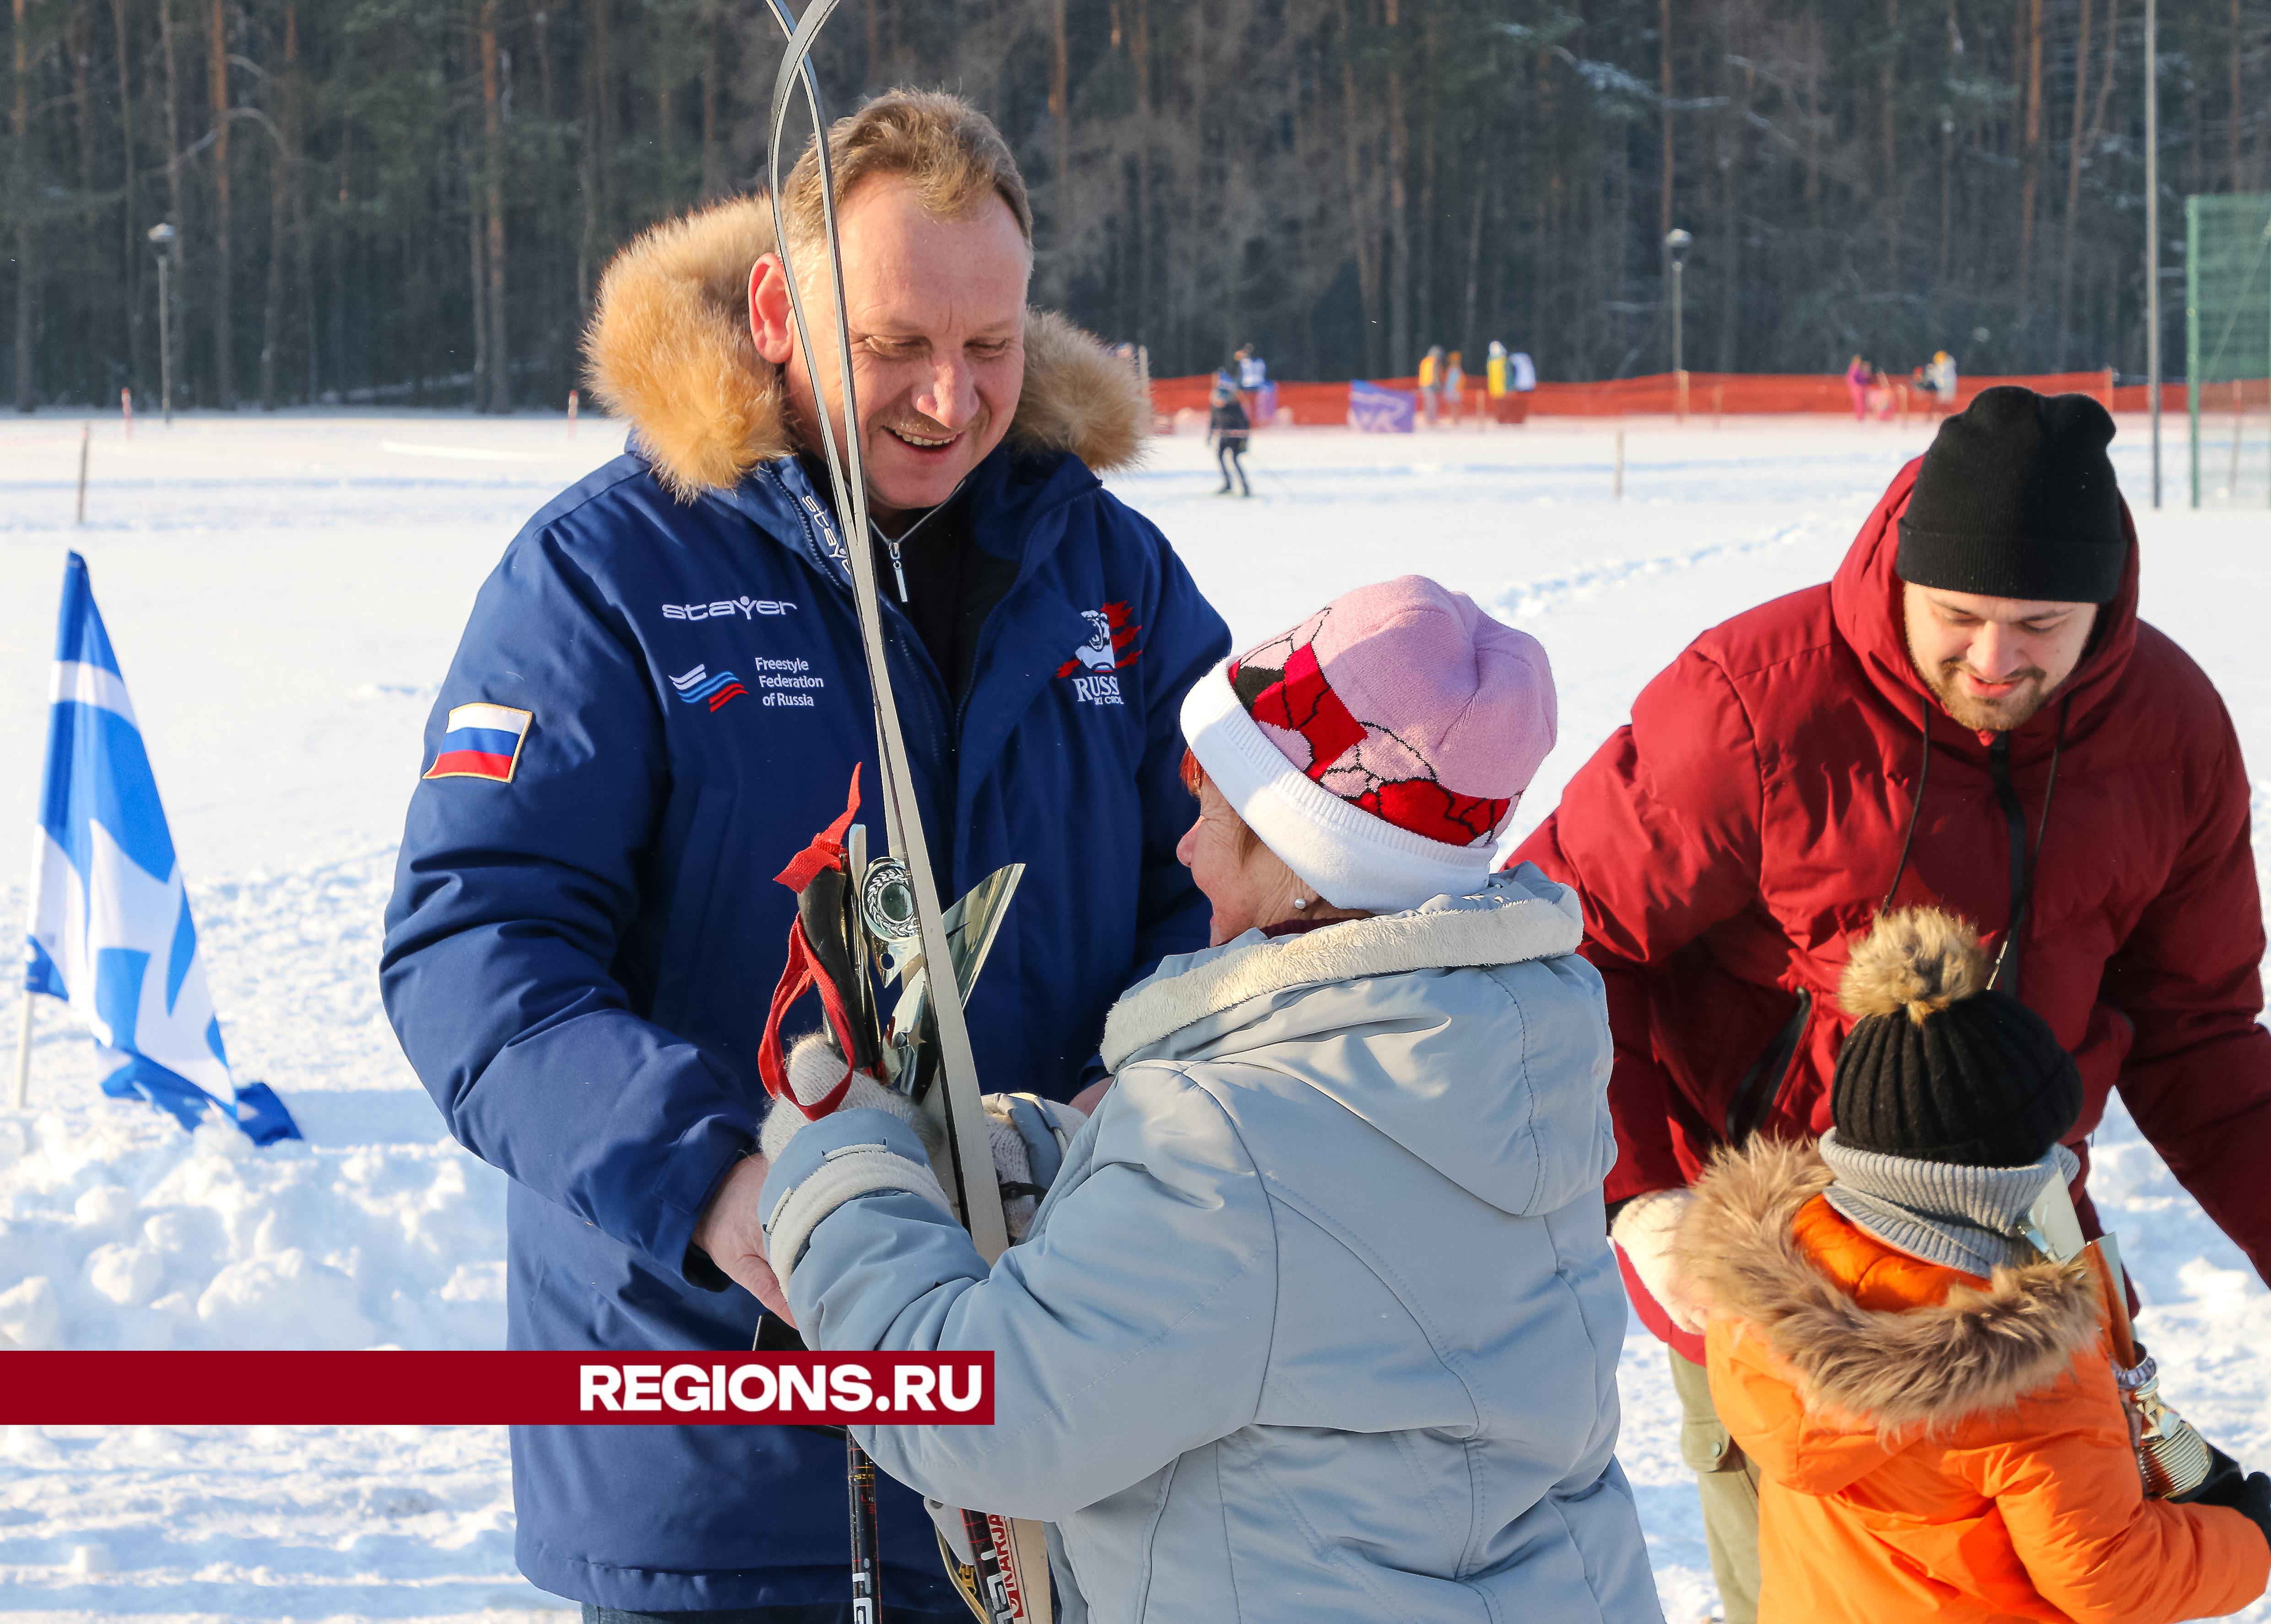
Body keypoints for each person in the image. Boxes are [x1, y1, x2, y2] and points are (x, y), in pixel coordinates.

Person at [380, 90, 1230, 1620]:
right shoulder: (611, 569)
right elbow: (477, 952)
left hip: (1059, 1420)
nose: (948, 400)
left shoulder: (1111, 570)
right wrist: (718, 1181)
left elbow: (1230, 893)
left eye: (989, 346)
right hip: (717, 1444)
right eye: (897, 344)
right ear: (777, 307)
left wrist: (1143, 1087)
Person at [1509, 386, 2271, 1624]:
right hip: (1787, 1292)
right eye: (1957, 617)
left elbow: (2195, 1019)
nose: (1994, 662)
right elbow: (1559, 941)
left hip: (2027, 1268)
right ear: (1898, 575)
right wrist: (1636, 1196)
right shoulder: (1752, 706)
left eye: (2039, 626)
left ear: (2105, 604)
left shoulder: (2170, 734)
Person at [757, 575, 1666, 1624]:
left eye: (1211, 802)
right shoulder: (1504, 1045)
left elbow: (984, 1418)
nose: (1184, 844)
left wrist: (839, 1167)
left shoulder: (1233, 1140)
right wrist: (1067, 1167)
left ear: (1308, 861)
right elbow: (1330, 1266)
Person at [1684, 907, 2271, 1624]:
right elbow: (2107, 1578)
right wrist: (2242, 1541)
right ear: (2010, 1168)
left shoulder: (1781, 1271)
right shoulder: (2026, 1367)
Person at [1208, 369, 1251, 496]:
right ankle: (1228, 485)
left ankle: (1245, 487)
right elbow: (1213, 422)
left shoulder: (1234, 407)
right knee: (1220, 457)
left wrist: (1244, 440)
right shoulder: (1216, 408)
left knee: (1234, 460)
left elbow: (1245, 425)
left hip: (1236, 439)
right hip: (1224, 437)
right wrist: (1210, 436)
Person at [1844, 354, 1868, 421]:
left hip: (1856, 387)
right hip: (1856, 387)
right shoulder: (1855, 367)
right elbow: (1852, 378)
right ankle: (1859, 416)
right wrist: (1856, 385)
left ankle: (1860, 415)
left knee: (1860, 402)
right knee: (1859, 402)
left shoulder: (1855, 368)